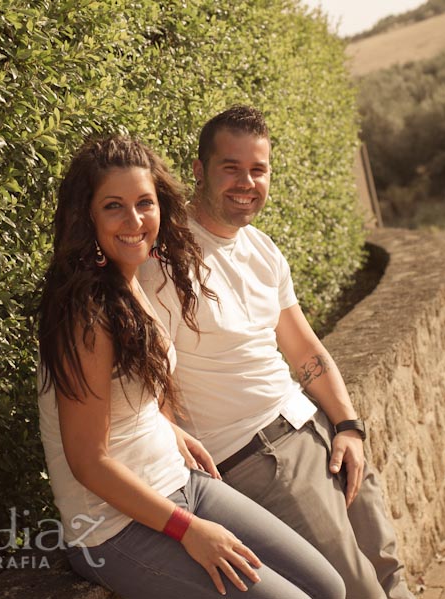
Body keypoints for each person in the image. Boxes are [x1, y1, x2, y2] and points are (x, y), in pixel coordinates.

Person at [37, 135, 345, 598]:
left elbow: (131, 397)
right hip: (112, 526)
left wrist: (169, 428)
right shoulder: (85, 314)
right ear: (87, 217)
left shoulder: (129, 281)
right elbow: (88, 460)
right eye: (113, 207)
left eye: (145, 203)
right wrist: (190, 531)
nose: (135, 220)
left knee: (330, 587)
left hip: (180, 482)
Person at [139, 105, 414, 599]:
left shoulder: (262, 248)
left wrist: (348, 426)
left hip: (318, 431)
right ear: (199, 170)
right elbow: (152, 378)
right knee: (358, 591)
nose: (247, 182)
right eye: (231, 168)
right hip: (257, 457)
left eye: (258, 170)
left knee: (389, 570)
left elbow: (304, 347)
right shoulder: (165, 263)